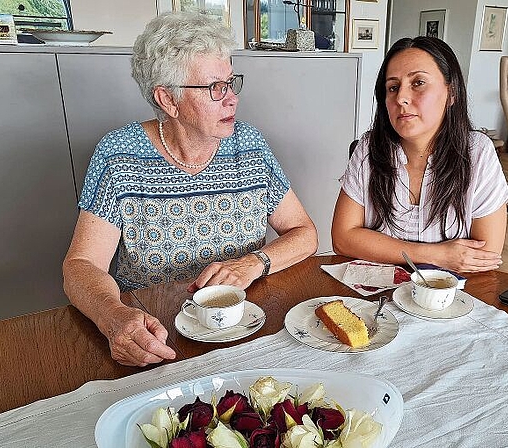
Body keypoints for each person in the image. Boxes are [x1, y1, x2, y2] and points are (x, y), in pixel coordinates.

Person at [63, 12, 318, 367]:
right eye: (215, 87)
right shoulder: (119, 155)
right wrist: (113, 316)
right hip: (157, 334)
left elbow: (305, 233)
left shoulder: (250, 145)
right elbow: (80, 265)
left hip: (244, 327)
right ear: (168, 100)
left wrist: (253, 263)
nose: (232, 99)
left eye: (231, 82)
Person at [332, 36, 508, 273]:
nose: (401, 98)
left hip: (450, 298)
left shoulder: (477, 152)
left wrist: (382, 247)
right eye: (393, 87)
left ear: (452, 93)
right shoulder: (369, 148)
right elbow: (343, 239)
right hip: (375, 294)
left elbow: (483, 258)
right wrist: (436, 255)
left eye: (418, 83)